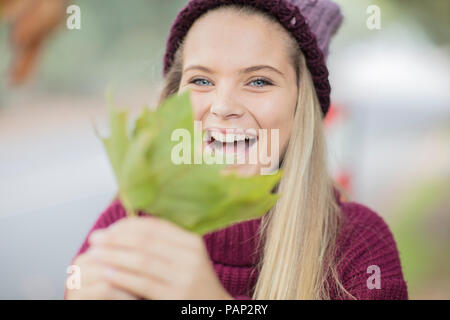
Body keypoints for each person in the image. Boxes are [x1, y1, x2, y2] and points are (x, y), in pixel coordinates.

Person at [65, 0, 408, 300]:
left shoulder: (360, 247)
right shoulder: (126, 224)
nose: (223, 106)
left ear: (301, 106)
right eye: (201, 80)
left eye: (259, 81)